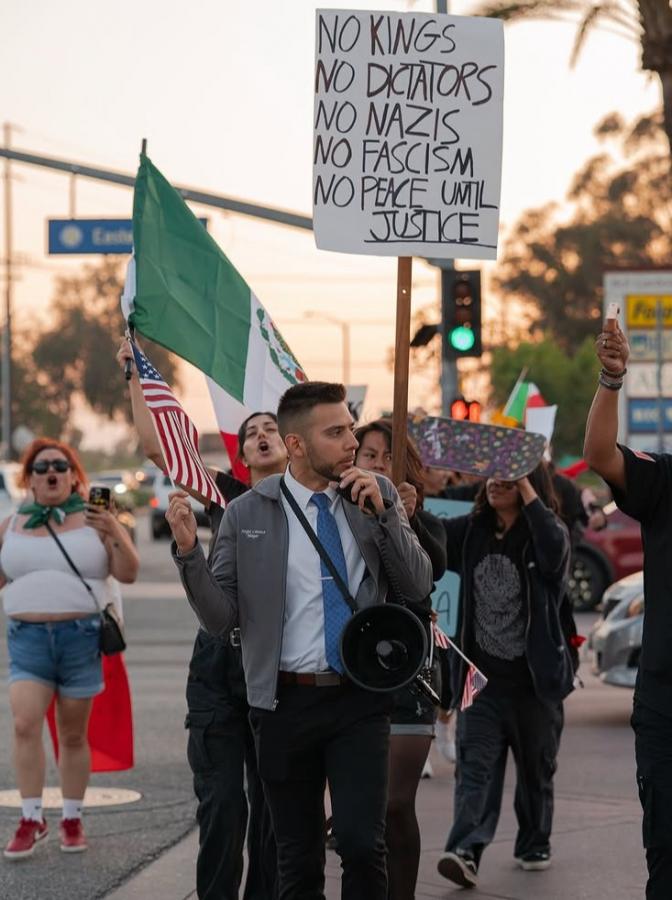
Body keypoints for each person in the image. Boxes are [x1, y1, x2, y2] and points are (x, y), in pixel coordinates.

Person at [167, 381, 433, 899]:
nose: (351, 443)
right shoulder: (247, 514)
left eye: (350, 428)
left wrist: (385, 517)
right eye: (336, 433)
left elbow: (418, 584)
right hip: (283, 704)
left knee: (360, 844)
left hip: (359, 701)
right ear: (296, 445)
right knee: (298, 858)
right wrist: (187, 555)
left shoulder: (372, 496)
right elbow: (221, 620)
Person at [117, 338, 281, 900]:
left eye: (272, 430)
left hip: (279, 681)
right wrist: (136, 375)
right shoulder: (229, 497)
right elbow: (159, 451)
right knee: (222, 809)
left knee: (272, 814)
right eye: (252, 431)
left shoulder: (321, 508)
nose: (259, 436)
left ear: (296, 445)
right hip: (216, 678)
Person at [1, 438, 139, 859]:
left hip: (81, 638)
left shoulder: (93, 520)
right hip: (26, 639)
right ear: (30, 479)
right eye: (41, 468)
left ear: (74, 475)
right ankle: (30, 817)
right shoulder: (11, 523)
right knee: (25, 724)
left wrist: (113, 528)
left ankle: (72, 817)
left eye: (60, 465)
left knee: (73, 734)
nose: (51, 473)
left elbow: (128, 573)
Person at [436, 465, 572, 889]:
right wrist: (404, 503)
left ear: (529, 485)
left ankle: (534, 841)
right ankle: (464, 851)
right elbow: (432, 536)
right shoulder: (472, 530)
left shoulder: (544, 533)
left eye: (509, 477)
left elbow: (555, 552)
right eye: (493, 476)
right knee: (475, 770)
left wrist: (527, 484)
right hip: (481, 684)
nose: (497, 482)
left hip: (535, 684)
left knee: (536, 771)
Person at [583, 320, 672, 899]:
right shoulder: (665, 478)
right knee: (665, 854)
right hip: (666, 706)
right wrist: (612, 378)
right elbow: (598, 453)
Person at [353, 419, 446, 900]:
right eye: (368, 455)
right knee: (363, 811)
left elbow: (430, 575)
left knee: (394, 802)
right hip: (354, 675)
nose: (378, 464)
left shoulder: (424, 520)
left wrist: (401, 520)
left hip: (408, 677)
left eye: (388, 456)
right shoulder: (340, 519)